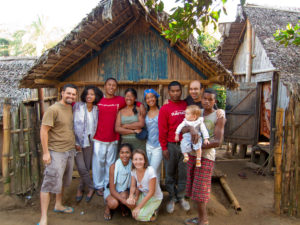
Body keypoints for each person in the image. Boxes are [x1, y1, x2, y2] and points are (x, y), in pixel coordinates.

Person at [93, 78, 144, 196]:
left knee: (110, 163)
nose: (111, 87)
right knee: (98, 162)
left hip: (113, 138)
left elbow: (132, 101)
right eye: (109, 85)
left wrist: (141, 105)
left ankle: (108, 183)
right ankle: (98, 185)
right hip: (99, 137)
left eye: (114, 85)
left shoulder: (120, 100)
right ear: (104, 86)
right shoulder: (99, 100)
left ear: (116, 88)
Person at [184, 89, 226, 225]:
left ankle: (203, 220)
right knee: (194, 189)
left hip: (206, 157)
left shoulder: (219, 117)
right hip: (192, 156)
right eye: (205, 99)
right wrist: (191, 129)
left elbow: (218, 142)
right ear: (201, 99)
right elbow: (185, 127)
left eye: (210, 99)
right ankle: (200, 218)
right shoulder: (198, 113)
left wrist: (198, 147)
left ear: (215, 101)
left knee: (200, 189)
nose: (207, 101)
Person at [37, 84, 78, 225]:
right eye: (68, 93)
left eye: (73, 94)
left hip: (69, 151)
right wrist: (46, 152)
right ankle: (43, 218)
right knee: (48, 184)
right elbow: (44, 131)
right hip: (56, 152)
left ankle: (58, 205)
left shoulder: (71, 108)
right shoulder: (53, 109)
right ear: (62, 93)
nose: (71, 96)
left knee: (60, 182)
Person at [158, 81, 190, 214]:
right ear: (168, 92)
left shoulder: (186, 105)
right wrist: (164, 147)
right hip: (171, 146)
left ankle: (181, 197)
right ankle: (171, 198)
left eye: (178, 91)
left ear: (181, 91)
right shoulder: (165, 108)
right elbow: (162, 129)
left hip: (186, 147)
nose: (175, 93)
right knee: (170, 174)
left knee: (183, 173)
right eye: (173, 91)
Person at [73, 85, 103, 202]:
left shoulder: (97, 109)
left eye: (92, 94)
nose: (89, 96)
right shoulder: (77, 107)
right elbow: (71, 125)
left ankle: (81, 187)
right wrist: (75, 141)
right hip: (78, 142)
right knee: (81, 167)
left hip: (91, 141)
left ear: (96, 96)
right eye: (87, 94)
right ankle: (91, 187)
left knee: (86, 166)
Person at [126, 149, 163, 222]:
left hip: (154, 197)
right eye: (135, 159)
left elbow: (151, 193)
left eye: (140, 159)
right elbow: (133, 186)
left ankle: (154, 212)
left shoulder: (150, 171)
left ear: (144, 161)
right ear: (132, 161)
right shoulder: (133, 171)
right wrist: (131, 196)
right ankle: (147, 209)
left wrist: (138, 207)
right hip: (144, 194)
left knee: (138, 216)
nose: (138, 162)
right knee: (130, 203)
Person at [103, 143, 134, 220]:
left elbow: (133, 185)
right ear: (119, 154)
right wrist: (125, 201)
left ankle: (122, 207)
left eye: (127, 152)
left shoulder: (132, 165)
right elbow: (112, 190)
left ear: (131, 154)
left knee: (124, 195)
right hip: (112, 191)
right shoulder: (113, 167)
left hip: (124, 190)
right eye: (122, 152)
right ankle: (107, 208)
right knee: (113, 203)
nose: (124, 155)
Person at [144, 89, 162, 182]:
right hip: (148, 145)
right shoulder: (145, 113)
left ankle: (151, 193)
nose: (150, 99)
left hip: (158, 146)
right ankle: (157, 194)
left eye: (152, 97)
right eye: (147, 98)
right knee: (155, 171)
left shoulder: (162, 111)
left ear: (156, 98)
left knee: (152, 171)